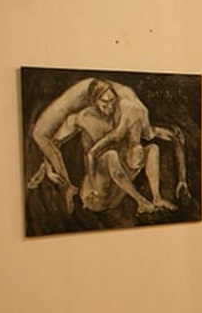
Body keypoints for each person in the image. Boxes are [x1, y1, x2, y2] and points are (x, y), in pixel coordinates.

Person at [28, 77, 186, 217]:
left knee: (152, 149)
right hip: (96, 192)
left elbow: (157, 135)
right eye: (105, 102)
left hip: (118, 189)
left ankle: (156, 198)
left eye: (112, 101)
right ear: (94, 101)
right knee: (110, 155)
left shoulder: (120, 117)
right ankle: (141, 201)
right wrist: (48, 169)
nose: (110, 106)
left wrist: (181, 176)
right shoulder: (81, 118)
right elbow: (55, 142)